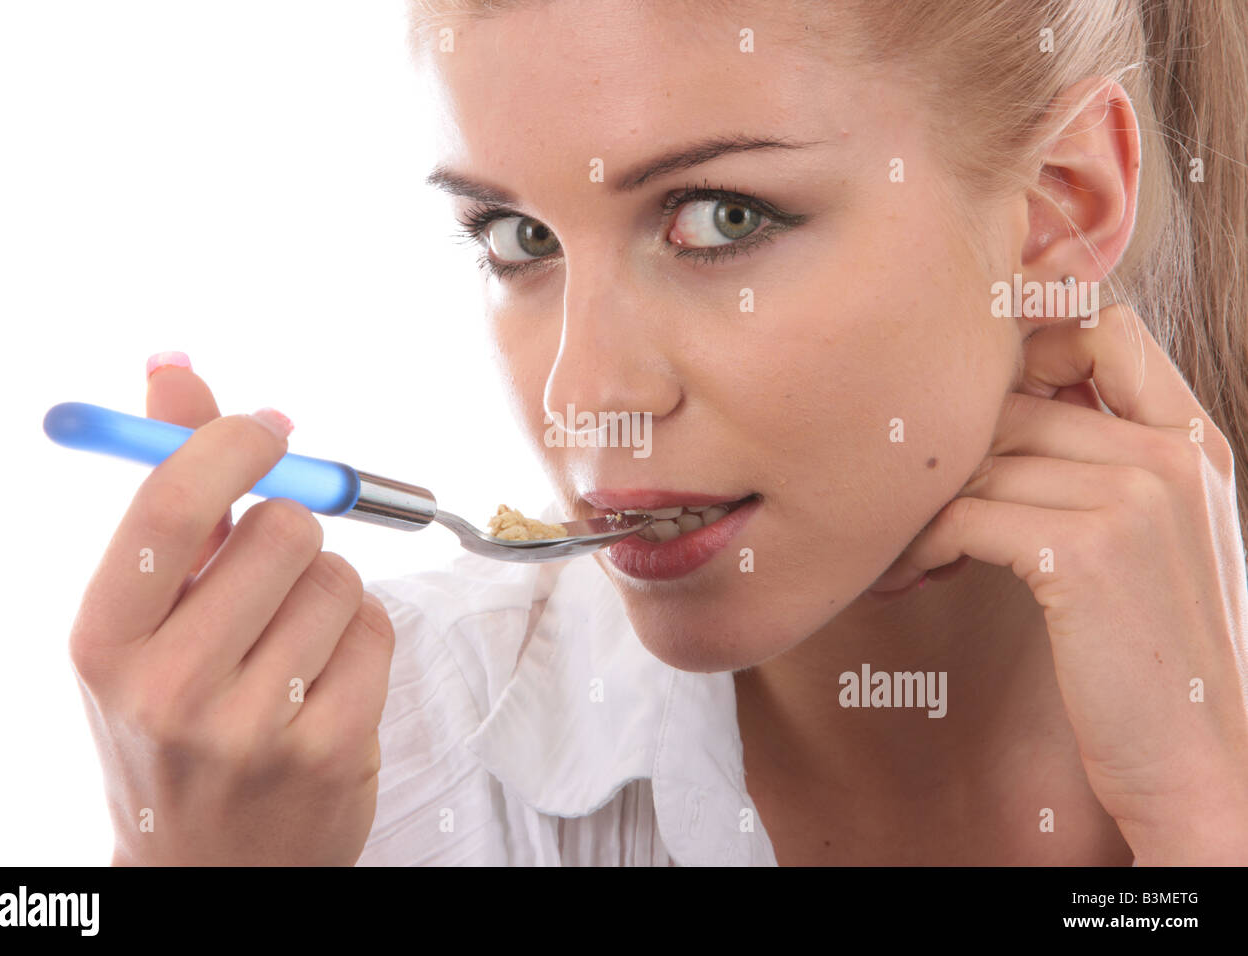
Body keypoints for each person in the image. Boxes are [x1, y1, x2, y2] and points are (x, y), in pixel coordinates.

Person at [70, 0, 1248, 866]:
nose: (582, 396)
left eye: (716, 217)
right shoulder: (349, 774)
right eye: (518, 237)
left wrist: (1206, 819)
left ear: (1060, 209)